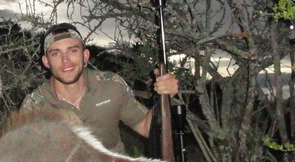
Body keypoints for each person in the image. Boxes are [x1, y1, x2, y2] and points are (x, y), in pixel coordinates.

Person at [21, 23, 180, 154]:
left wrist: (165, 95)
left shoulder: (111, 86)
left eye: (73, 51)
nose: (66, 61)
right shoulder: (34, 106)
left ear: (85, 56)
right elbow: (25, 158)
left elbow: (146, 127)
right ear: (46, 61)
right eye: (56, 54)